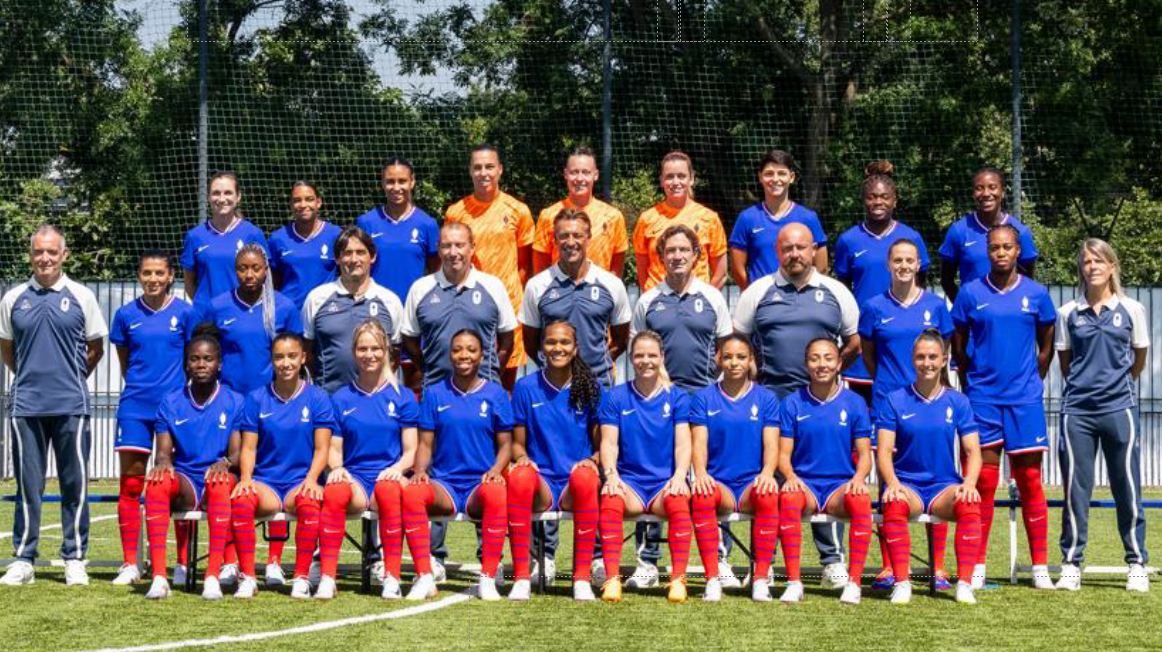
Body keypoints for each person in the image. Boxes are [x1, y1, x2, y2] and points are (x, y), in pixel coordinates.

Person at [733, 222, 860, 586]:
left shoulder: (836, 292)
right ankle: (765, 562)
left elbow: (852, 344)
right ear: (777, 252)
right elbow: (737, 344)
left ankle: (832, 560)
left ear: (814, 250)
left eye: (801, 247)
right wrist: (754, 374)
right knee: (771, 479)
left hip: (820, 405)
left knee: (822, 474)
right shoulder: (758, 292)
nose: (795, 254)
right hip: (771, 402)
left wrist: (828, 378)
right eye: (787, 248)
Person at [0, 226, 107, 587]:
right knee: (28, 485)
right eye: (38, 252)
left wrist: (70, 377)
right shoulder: (13, 299)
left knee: (73, 484)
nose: (44, 258)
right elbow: (8, 350)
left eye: (51, 252)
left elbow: (96, 349)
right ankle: (23, 559)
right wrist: (32, 377)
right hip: (26, 406)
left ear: (64, 255)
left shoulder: (82, 296)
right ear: (30, 256)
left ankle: (74, 557)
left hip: (71, 406)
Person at [951, 224, 1056, 590]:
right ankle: (975, 564)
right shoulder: (969, 293)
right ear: (987, 251)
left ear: (1017, 251)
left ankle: (1040, 566)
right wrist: (973, 383)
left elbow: (1046, 345)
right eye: (994, 247)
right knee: (982, 482)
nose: (1000, 253)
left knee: (1029, 481)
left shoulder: (1037, 294)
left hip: (1024, 400)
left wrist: (1032, 381)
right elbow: (959, 347)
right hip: (982, 399)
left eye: (1006, 247)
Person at [1054, 239, 1150, 592]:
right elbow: (1066, 364)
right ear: (1080, 269)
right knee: (1075, 490)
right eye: (1086, 261)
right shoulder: (1068, 313)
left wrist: (1117, 385)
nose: (1092, 266)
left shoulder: (1132, 309)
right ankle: (1071, 563)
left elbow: (1138, 359)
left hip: (1119, 409)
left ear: (1112, 267)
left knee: (1127, 486)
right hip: (1077, 411)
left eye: (1099, 261)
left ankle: (1137, 562)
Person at [858, 238, 954, 590]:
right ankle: (888, 566)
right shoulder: (872, 306)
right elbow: (870, 356)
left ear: (918, 264)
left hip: (930, 402)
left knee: (939, 476)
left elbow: (943, 352)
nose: (903, 265)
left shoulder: (935, 305)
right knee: (889, 483)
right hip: (889, 403)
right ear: (888, 264)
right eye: (897, 259)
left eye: (909, 260)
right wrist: (890, 386)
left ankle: (938, 568)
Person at [108, 250, 197, 586]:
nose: (153, 279)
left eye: (160, 273)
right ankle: (131, 562)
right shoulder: (125, 315)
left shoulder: (186, 314)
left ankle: (180, 563)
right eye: (147, 273)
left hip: (174, 412)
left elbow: (193, 359)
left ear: (171, 275)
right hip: (135, 407)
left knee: (171, 486)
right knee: (131, 485)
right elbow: (125, 361)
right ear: (139, 275)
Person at [404, 329, 514, 601]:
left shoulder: (496, 394)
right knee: (412, 493)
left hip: (481, 484)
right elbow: (425, 444)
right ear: (450, 354)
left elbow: (506, 446)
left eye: (471, 350)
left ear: (482, 355)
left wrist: (496, 470)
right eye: (457, 350)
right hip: (446, 485)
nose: (464, 355)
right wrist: (419, 472)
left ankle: (488, 577)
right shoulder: (434, 394)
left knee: (497, 492)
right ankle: (425, 577)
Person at [876, 329, 983, 605]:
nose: (927, 363)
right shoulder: (895, 399)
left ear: (944, 359)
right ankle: (902, 582)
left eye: (933, 357)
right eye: (921, 357)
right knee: (894, 504)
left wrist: (969, 483)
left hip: (943, 487)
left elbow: (973, 451)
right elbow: (884, 452)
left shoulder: (958, 401)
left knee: (970, 503)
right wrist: (893, 484)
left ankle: (965, 584)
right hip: (908, 485)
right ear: (912, 360)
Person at [230, 333, 340, 599]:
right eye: (279, 357)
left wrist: (312, 479)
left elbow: (322, 448)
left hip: (299, 482)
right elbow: (248, 447)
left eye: (292, 356)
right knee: (242, 500)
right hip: (266, 483)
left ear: (303, 358)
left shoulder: (317, 398)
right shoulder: (256, 398)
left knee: (310, 500)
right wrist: (245, 477)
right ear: (272, 361)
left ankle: (301, 577)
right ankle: (248, 577)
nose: (286, 363)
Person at [141, 326, 245, 600]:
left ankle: (212, 576)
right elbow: (163, 452)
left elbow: (237, 454)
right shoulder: (171, 402)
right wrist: (162, 463)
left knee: (221, 481)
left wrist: (224, 462)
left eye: (208, 359)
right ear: (186, 364)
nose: (201, 364)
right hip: (186, 479)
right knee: (156, 482)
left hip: (217, 477)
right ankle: (160, 577)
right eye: (195, 359)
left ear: (219, 364)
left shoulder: (234, 401)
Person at [507, 321, 604, 601]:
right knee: (520, 476)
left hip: (576, 482)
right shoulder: (526, 387)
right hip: (543, 482)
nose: (557, 348)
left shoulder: (590, 386)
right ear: (541, 348)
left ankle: (581, 579)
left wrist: (592, 460)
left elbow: (604, 444)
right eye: (550, 342)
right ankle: (523, 577)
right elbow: (516, 442)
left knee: (586, 477)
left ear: (576, 349)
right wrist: (523, 458)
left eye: (564, 343)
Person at [596, 331, 695, 603]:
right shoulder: (615, 396)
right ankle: (612, 579)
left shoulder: (677, 397)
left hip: (664, 484)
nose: (646, 361)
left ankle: (678, 580)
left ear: (662, 357)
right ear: (631, 358)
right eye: (639, 355)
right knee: (610, 496)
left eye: (652, 355)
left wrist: (679, 476)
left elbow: (683, 444)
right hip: (631, 485)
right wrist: (611, 474)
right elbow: (609, 443)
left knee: (679, 499)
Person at [325, 320, 420, 599]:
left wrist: (397, 468)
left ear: (387, 351)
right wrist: (337, 468)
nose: (370, 355)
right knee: (333, 491)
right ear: (354, 352)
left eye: (376, 348)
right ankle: (328, 577)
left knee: (390, 491)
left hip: (388, 477)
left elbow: (411, 450)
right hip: (355, 480)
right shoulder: (341, 397)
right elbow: (334, 448)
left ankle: (391, 576)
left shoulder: (403, 396)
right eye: (363, 348)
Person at [777, 338, 875, 604]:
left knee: (861, 499)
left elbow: (865, 454)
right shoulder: (792, 403)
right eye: (815, 358)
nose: (822, 364)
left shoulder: (854, 403)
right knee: (788, 498)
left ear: (839, 363)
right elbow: (782, 455)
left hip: (839, 487)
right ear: (806, 364)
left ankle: (854, 583)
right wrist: (791, 477)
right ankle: (794, 582)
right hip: (805, 485)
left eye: (828, 358)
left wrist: (858, 478)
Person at [688, 335, 782, 602]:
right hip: (721, 485)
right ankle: (712, 579)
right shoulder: (704, 397)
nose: (734, 362)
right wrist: (701, 473)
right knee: (703, 494)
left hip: (753, 483)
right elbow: (699, 443)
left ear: (751, 360)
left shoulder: (766, 398)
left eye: (741, 357)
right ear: (718, 359)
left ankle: (761, 578)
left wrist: (766, 473)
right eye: (727, 356)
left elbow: (772, 444)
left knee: (768, 494)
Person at [833, 160, 931, 402]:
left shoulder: (911, 237)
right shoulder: (849, 240)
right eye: (872, 197)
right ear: (864, 200)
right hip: (864, 338)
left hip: (901, 336)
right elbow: (843, 291)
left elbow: (922, 283)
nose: (878, 202)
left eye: (885, 197)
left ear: (895, 200)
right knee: (866, 418)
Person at [444, 145, 534, 389]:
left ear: (500, 170)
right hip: (467, 306)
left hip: (508, 308)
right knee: (466, 374)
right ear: (470, 171)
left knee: (503, 385)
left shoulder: (519, 211)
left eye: (489, 167)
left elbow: (524, 265)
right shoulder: (456, 212)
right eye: (478, 167)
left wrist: (508, 297)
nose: (484, 173)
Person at [521, 208, 631, 388]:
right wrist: (555, 368)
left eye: (577, 235)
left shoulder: (612, 284)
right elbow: (531, 345)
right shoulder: (536, 285)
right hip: (552, 387)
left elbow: (621, 341)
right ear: (555, 240)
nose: (570, 242)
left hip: (598, 385)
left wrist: (593, 368)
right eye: (564, 236)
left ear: (588, 238)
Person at [356, 158, 441, 389]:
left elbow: (435, 271)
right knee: (380, 382)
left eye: (402, 181)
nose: (396, 187)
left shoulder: (427, 224)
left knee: (417, 382)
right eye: (390, 181)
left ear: (412, 182)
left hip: (414, 313)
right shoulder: (366, 222)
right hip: (378, 312)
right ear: (382, 184)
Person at [401, 223, 517, 390]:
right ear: (438, 249)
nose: (453, 253)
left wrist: (492, 374)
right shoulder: (420, 288)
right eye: (446, 246)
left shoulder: (493, 286)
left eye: (460, 245)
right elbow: (410, 339)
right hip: (436, 390)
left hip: (484, 393)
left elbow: (507, 340)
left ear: (472, 248)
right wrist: (428, 370)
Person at [302, 226, 404, 394]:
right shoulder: (317, 298)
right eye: (347, 253)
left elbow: (395, 353)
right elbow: (309, 352)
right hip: (330, 400)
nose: (354, 259)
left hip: (376, 400)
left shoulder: (390, 300)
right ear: (337, 258)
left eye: (360, 252)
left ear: (372, 257)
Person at [632, 224, 732, 391]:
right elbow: (636, 349)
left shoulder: (714, 297)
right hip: (659, 394)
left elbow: (726, 348)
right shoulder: (647, 301)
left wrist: (707, 377)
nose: (677, 256)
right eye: (671, 250)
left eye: (684, 250)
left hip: (703, 394)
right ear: (661, 257)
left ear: (695, 255)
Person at [196, 245, 302, 397]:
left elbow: (296, 354)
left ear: (266, 270)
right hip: (229, 396)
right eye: (243, 268)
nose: (249, 274)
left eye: (256, 268)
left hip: (271, 397)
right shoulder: (217, 306)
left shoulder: (284, 307)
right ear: (235, 271)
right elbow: (206, 352)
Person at [729, 149, 827, 289]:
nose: (775, 179)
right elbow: (738, 271)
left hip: (801, 302)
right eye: (769, 174)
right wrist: (754, 295)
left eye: (781, 173)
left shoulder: (808, 218)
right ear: (760, 177)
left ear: (791, 177)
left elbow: (821, 268)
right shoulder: (747, 218)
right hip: (763, 303)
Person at [939, 167, 1038, 304]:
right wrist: (963, 308)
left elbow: (1028, 279)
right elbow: (946, 280)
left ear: (1002, 192)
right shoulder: (959, 231)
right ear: (973, 193)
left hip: (1010, 311)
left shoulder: (1021, 232)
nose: (986, 193)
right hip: (973, 319)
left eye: (992, 187)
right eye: (979, 188)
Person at [633, 151, 728, 292]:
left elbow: (721, 273)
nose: (676, 182)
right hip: (658, 303)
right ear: (661, 181)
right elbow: (642, 271)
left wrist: (705, 298)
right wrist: (652, 298)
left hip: (697, 305)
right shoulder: (647, 219)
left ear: (691, 179)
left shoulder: (709, 218)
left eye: (681, 176)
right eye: (669, 177)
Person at [532, 146, 628, 275]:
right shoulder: (548, 215)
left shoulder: (613, 216)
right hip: (560, 293)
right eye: (574, 172)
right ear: (566, 174)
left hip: (599, 292)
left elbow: (616, 268)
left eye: (586, 172)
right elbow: (541, 269)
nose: (579, 178)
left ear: (595, 175)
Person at [181, 172, 269, 307]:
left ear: (238, 196)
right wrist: (205, 307)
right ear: (209, 197)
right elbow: (189, 282)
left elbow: (266, 279)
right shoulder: (194, 236)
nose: (222, 199)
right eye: (216, 193)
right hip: (207, 319)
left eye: (228, 193)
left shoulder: (253, 234)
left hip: (242, 313)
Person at [268, 181, 342, 311]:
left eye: (309, 199)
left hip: (327, 313)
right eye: (297, 200)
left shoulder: (335, 235)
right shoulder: (277, 238)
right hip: (291, 315)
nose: (303, 205)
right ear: (291, 205)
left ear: (318, 202)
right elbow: (273, 281)